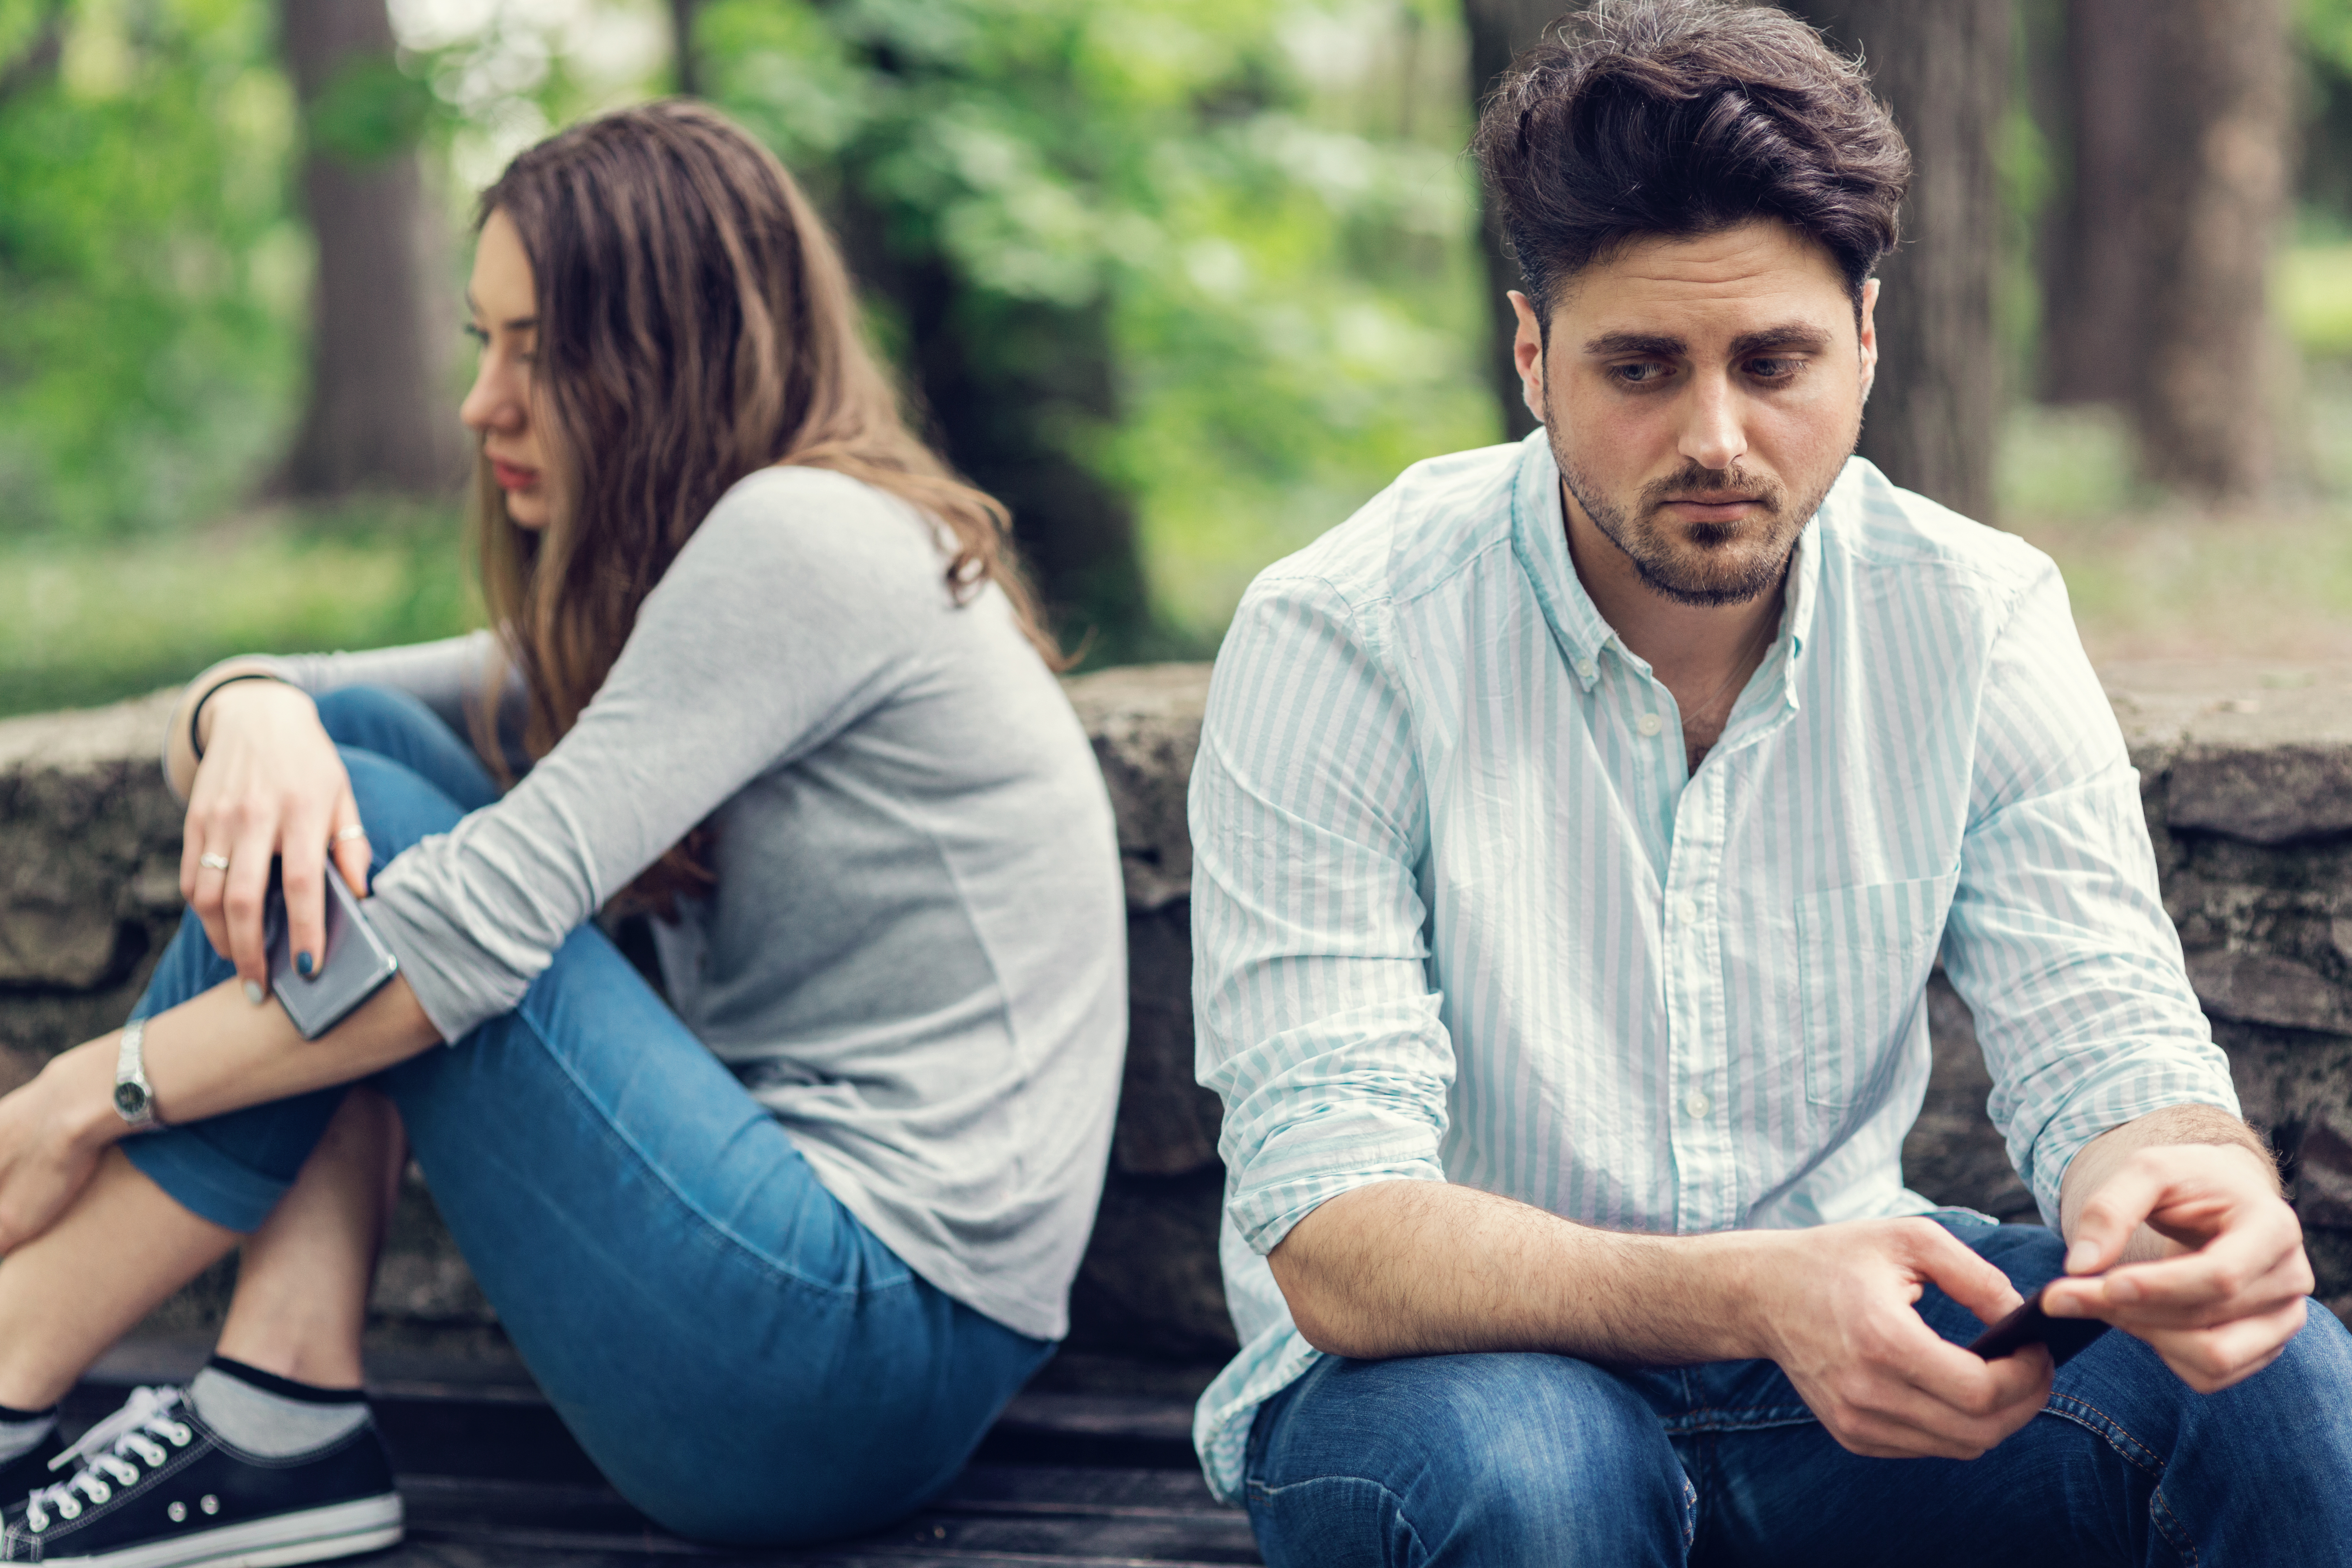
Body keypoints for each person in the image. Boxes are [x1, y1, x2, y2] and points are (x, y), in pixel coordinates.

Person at [1187, 4, 2352, 1564]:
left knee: (2287, 1389)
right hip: (1440, 1390)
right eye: (1643, 367)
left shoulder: (1975, 613)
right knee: (1535, 1481)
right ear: (1532, 356)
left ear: (1866, 343)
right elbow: (1336, 1232)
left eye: (1776, 359)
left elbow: (2110, 1044)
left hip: (1840, 1382)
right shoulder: (1346, 634)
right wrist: (1746, 1290)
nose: (1716, 437)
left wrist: (2189, 1195)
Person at [0, 100, 1126, 1566]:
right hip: (806, 1316)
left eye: (537, 349)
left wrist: (80, 1096)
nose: (483, 403)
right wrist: (257, 708)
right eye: (482, 342)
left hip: (856, 1348)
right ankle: (278, 1406)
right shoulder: (709, 575)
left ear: (669, 352)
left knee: (391, 830)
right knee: (359, 767)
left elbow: (469, 925)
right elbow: (307, 710)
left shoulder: (808, 540)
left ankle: (24, 1359)